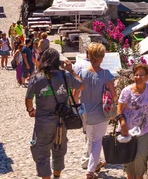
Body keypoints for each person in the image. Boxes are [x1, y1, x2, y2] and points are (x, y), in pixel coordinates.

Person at [25, 48, 83, 179]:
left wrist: (30, 110)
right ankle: (57, 176)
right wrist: (71, 69)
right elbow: (81, 85)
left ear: (44, 60)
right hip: (61, 121)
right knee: (59, 149)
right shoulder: (65, 75)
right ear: (58, 61)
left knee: (41, 151)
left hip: (43, 122)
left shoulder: (37, 77)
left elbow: (28, 98)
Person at [75, 43, 116, 179]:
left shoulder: (82, 73)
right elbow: (114, 95)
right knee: (97, 141)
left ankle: (93, 166)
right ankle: (90, 171)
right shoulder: (106, 75)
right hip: (101, 114)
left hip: (85, 114)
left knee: (91, 140)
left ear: (89, 56)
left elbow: (75, 95)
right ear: (102, 57)